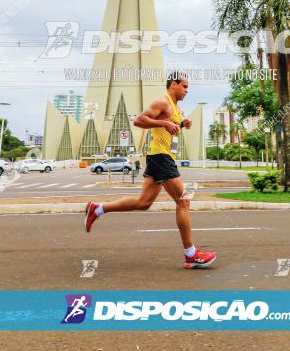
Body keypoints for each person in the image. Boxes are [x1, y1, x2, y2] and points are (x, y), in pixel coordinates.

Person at [83, 72, 217, 269]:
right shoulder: (163, 102)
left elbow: (169, 128)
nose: (187, 91)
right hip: (161, 157)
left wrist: (181, 124)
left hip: (161, 157)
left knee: (143, 202)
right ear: (173, 84)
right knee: (183, 201)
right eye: (185, 86)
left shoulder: (176, 107)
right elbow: (139, 120)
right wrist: (163, 122)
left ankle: (97, 209)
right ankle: (191, 255)